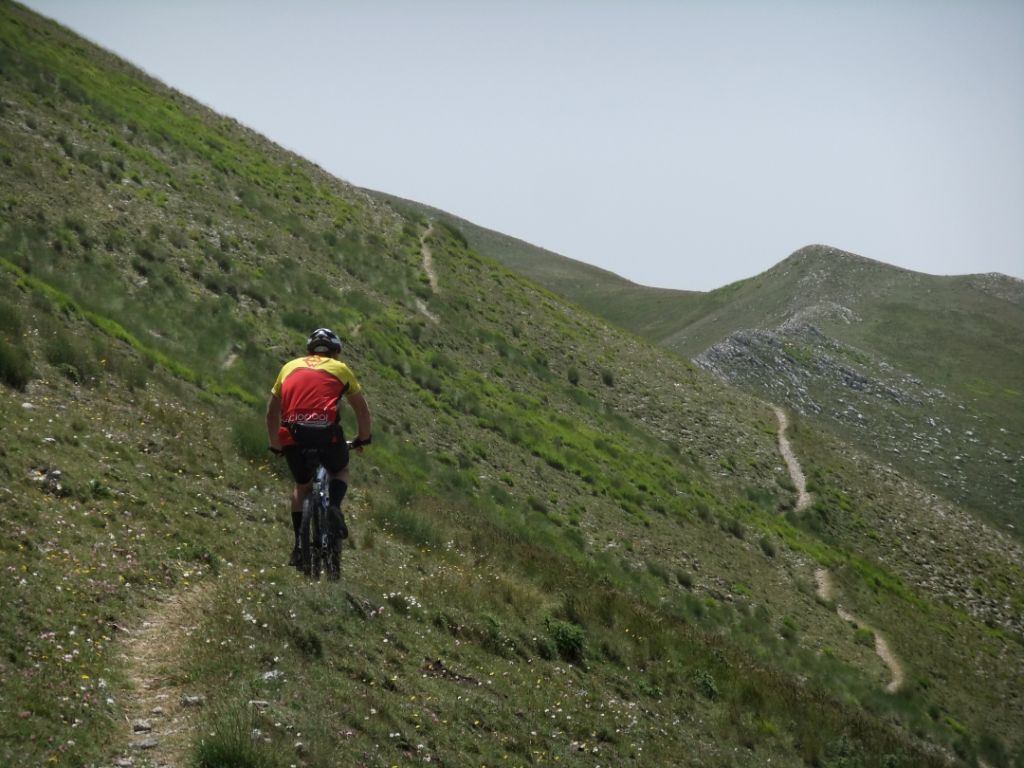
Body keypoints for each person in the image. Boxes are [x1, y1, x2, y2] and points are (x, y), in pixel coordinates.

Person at [266, 327, 372, 570]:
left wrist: (275, 444)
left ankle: (298, 547)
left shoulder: (288, 367)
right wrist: (362, 439)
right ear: (335, 353)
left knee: (301, 487)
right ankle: (334, 505)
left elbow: (272, 412)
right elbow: (362, 410)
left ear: (309, 351)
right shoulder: (340, 369)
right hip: (327, 435)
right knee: (341, 469)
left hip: (292, 435)